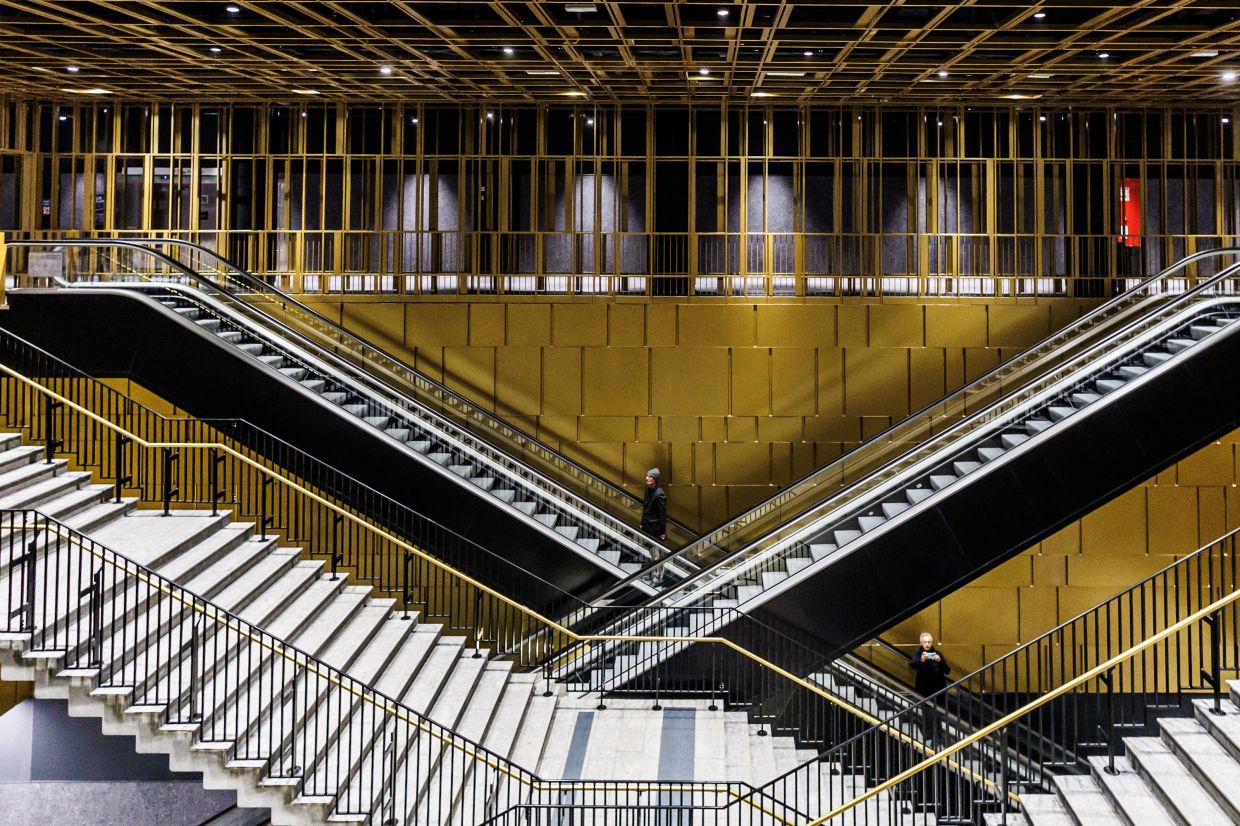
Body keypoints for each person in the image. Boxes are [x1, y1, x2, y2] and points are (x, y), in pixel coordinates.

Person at [908, 632, 951, 748]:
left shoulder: (938, 653)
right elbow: (912, 664)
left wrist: (939, 660)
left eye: (929, 642)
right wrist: (921, 660)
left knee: (936, 715)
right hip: (924, 690)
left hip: (938, 689)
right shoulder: (918, 653)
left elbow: (947, 670)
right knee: (927, 714)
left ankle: (937, 738)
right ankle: (929, 737)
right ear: (921, 643)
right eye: (925, 642)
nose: (927, 644)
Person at [641, 467, 667, 542]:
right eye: (646, 476)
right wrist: (642, 523)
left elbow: (662, 514)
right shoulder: (647, 488)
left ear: (655, 479)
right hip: (646, 526)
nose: (646, 478)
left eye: (649, 476)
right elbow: (645, 508)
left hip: (654, 529)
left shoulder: (659, 494)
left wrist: (662, 532)